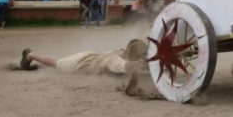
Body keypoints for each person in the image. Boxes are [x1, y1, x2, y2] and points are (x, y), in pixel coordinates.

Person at [18, 39, 147, 74]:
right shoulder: (114, 60)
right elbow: (126, 66)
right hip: (83, 63)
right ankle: (31, 55)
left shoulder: (122, 52)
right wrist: (142, 62)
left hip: (93, 56)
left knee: (58, 62)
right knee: (57, 64)